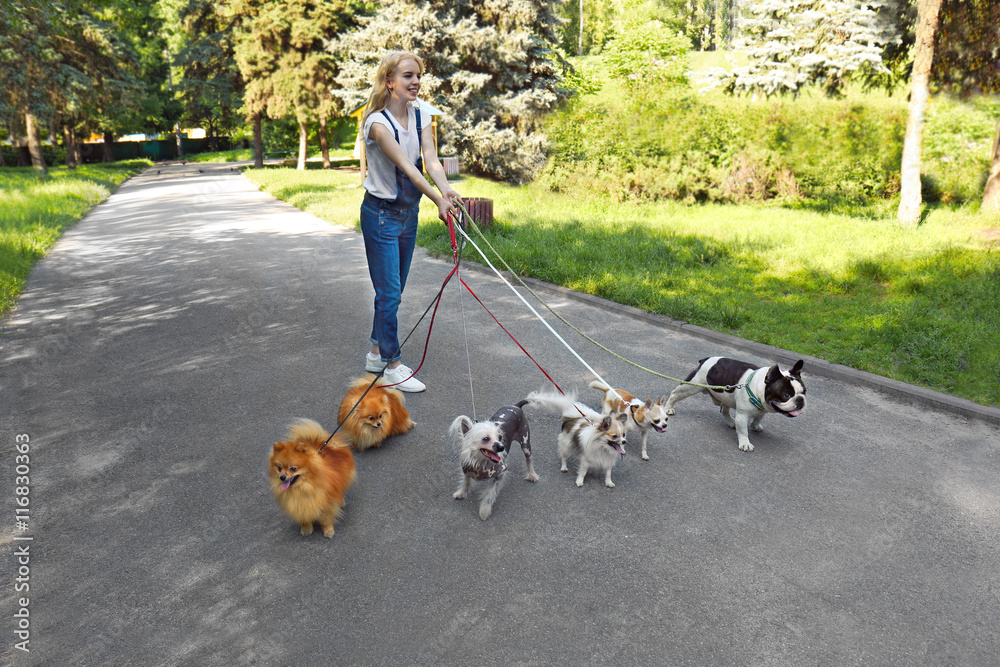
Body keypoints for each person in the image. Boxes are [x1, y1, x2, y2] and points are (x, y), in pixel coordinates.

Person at [359, 50, 461, 392]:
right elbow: (407, 166)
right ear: (389, 82)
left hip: (408, 214)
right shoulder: (376, 123)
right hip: (381, 216)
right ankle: (392, 365)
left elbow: (430, 159)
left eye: (418, 75)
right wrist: (436, 199)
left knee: (395, 291)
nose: (415, 81)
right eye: (407, 75)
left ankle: (376, 352)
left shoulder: (422, 114)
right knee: (388, 295)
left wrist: (446, 190)